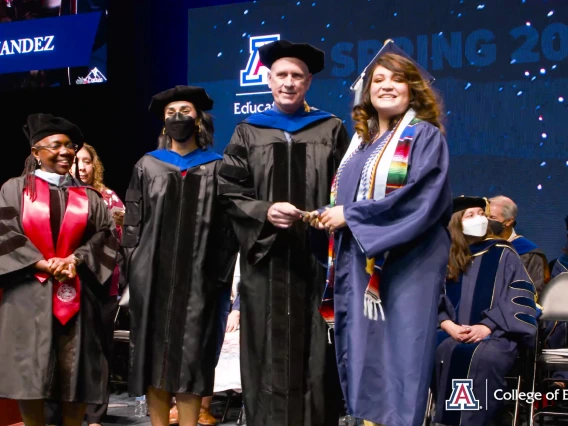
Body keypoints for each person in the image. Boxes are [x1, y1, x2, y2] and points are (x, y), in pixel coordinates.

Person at [306, 39, 452, 426]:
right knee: (364, 351)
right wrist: (320, 216)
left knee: (402, 354)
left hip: (407, 266)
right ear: (367, 92)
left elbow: (423, 197)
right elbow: (344, 201)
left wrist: (349, 216)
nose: (386, 86)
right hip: (359, 265)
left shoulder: (424, 137)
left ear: (412, 89)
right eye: (378, 80)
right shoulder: (360, 146)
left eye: (398, 80)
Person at [218, 39, 349, 426]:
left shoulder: (332, 129)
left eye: (297, 76)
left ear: (308, 81)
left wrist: (332, 214)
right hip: (266, 263)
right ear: (268, 79)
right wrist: (263, 210)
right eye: (281, 75)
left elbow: (348, 188)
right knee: (265, 351)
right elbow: (228, 192)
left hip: (316, 261)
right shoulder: (249, 132)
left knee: (316, 353)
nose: (288, 83)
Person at [122, 85, 237, 426]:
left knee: (191, 360)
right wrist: (136, 271)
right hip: (153, 281)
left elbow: (229, 230)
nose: (177, 119)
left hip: (201, 282)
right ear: (162, 123)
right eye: (170, 113)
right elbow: (132, 223)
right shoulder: (148, 166)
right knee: (156, 359)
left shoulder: (218, 167)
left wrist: (218, 276)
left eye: (185, 111)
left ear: (199, 118)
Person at [0, 113, 118, 426]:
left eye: (70, 145)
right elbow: (5, 233)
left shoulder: (89, 197)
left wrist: (74, 260)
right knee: (31, 373)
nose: (66, 151)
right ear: (36, 152)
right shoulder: (14, 190)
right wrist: (41, 263)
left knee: (76, 373)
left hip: (77, 296)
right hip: (28, 294)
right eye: (56, 145)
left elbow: (105, 236)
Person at [434, 196, 538, 425]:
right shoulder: (444, 259)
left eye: (481, 214)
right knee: (436, 350)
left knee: (484, 357)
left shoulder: (504, 253)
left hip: (497, 333)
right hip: (451, 332)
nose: (479, 219)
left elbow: (520, 296)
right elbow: (431, 300)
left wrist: (486, 325)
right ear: (456, 223)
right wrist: (448, 325)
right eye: (470, 215)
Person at [45, 142, 125, 426]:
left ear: (95, 165)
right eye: (77, 161)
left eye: (87, 161)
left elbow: (120, 239)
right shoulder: (54, 196)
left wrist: (119, 224)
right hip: (63, 282)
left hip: (101, 284)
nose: (81, 166)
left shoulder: (107, 197)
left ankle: (94, 416)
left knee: (98, 351)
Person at [488, 195, 550, 293]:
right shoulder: (479, 249)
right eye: (484, 216)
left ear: (509, 221)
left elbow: (534, 291)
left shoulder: (530, 254)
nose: (486, 221)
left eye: (492, 217)